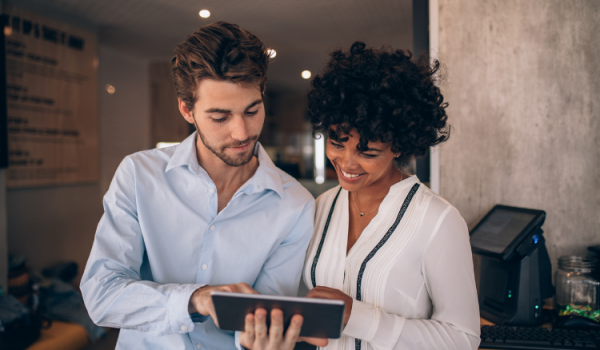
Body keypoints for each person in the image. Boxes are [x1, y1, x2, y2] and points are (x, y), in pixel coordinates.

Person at [80, 22, 316, 350]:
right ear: (187, 110)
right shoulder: (139, 175)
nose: (241, 132)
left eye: (252, 110)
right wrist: (196, 299)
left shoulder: (295, 204)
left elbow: (264, 321)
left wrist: (265, 336)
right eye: (220, 117)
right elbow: (101, 295)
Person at [302, 42, 481, 350]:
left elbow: (463, 338)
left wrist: (357, 317)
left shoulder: (438, 220)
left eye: (367, 152)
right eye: (337, 142)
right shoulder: (322, 206)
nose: (346, 163)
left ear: (399, 145)